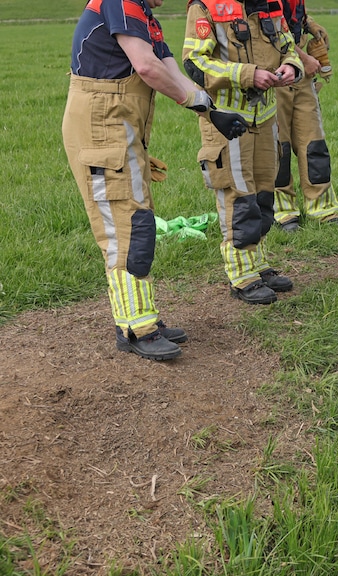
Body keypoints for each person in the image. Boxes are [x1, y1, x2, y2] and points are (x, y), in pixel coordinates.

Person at [62, 0, 247, 361]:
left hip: (118, 124)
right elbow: (146, 67)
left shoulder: (144, 14)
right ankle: (135, 327)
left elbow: (168, 68)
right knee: (126, 227)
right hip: (103, 127)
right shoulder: (120, 2)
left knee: (138, 220)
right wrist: (197, 104)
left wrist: (210, 108)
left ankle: (140, 319)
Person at [182, 0, 303, 305]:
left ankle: (259, 264)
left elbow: (289, 46)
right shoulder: (205, 7)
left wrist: (292, 66)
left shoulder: (272, 5)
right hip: (226, 120)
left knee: (263, 194)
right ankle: (241, 274)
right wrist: (247, 74)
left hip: (265, 117)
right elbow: (195, 62)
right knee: (237, 196)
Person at [273, 0, 338, 232]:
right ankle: (282, 211)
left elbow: (291, 16)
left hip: (301, 74)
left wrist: (309, 24)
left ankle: (323, 207)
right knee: (277, 145)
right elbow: (268, 31)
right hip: (274, 70)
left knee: (313, 141)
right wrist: (304, 58)